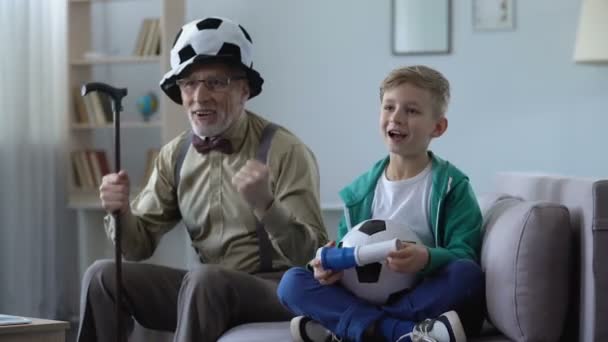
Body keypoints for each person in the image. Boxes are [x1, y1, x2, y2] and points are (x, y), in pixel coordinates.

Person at [77, 17, 328, 342]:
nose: (200, 96)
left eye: (216, 83)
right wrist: (122, 212)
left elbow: (312, 256)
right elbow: (137, 249)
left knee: (205, 280)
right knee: (103, 276)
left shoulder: (285, 150)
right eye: (189, 84)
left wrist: (267, 206)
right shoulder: (175, 155)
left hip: (278, 290)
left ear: (244, 90)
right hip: (205, 290)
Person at [277, 65, 485, 342]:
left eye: (411, 111)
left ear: (438, 127)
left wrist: (426, 258)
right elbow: (347, 255)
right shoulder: (359, 194)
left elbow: (464, 253)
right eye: (389, 107)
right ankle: (400, 333)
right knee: (292, 282)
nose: (396, 118)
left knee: (466, 275)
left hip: (421, 298)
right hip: (366, 297)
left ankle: (348, 328)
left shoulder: (452, 187)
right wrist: (329, 270)